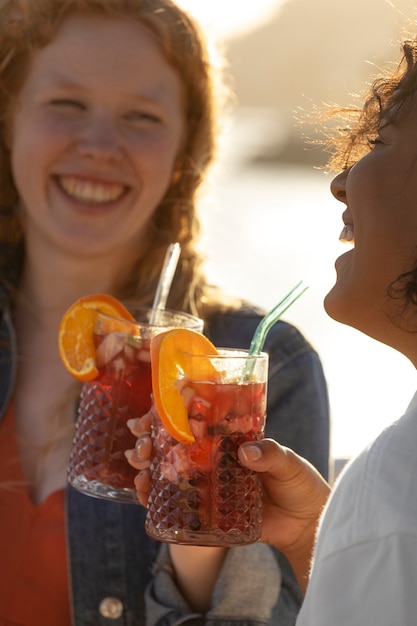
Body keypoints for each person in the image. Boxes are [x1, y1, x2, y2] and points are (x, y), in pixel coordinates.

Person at [0, 1, 330, 625]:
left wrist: (197, 527)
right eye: (66, 104)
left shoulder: (257, 368)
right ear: (8, 122)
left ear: (186, 149)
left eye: (141, 116)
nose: (99, 144)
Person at [235, 25, 417, 625]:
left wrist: (355, 534)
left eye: (382, 142)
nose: (341, 179)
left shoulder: (393, 493)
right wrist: (323, 538)